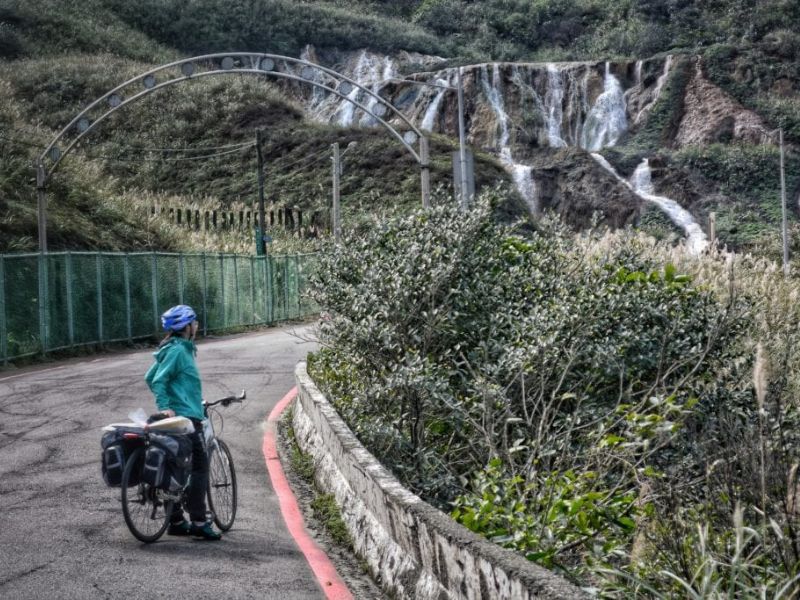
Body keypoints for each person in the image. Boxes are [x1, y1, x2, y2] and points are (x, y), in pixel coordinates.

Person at [145, 304, 221, 541]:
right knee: (200, 466)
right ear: (186, 327)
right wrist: (167, 407)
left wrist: (180, 399)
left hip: (184, 412)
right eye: (194, 322)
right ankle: (199, 520)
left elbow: (150, 376)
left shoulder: (174, 348)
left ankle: (176, 520)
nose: (197, 325)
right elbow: (158, 380)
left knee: (177, 465)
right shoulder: (178, 351)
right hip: (185, 418)